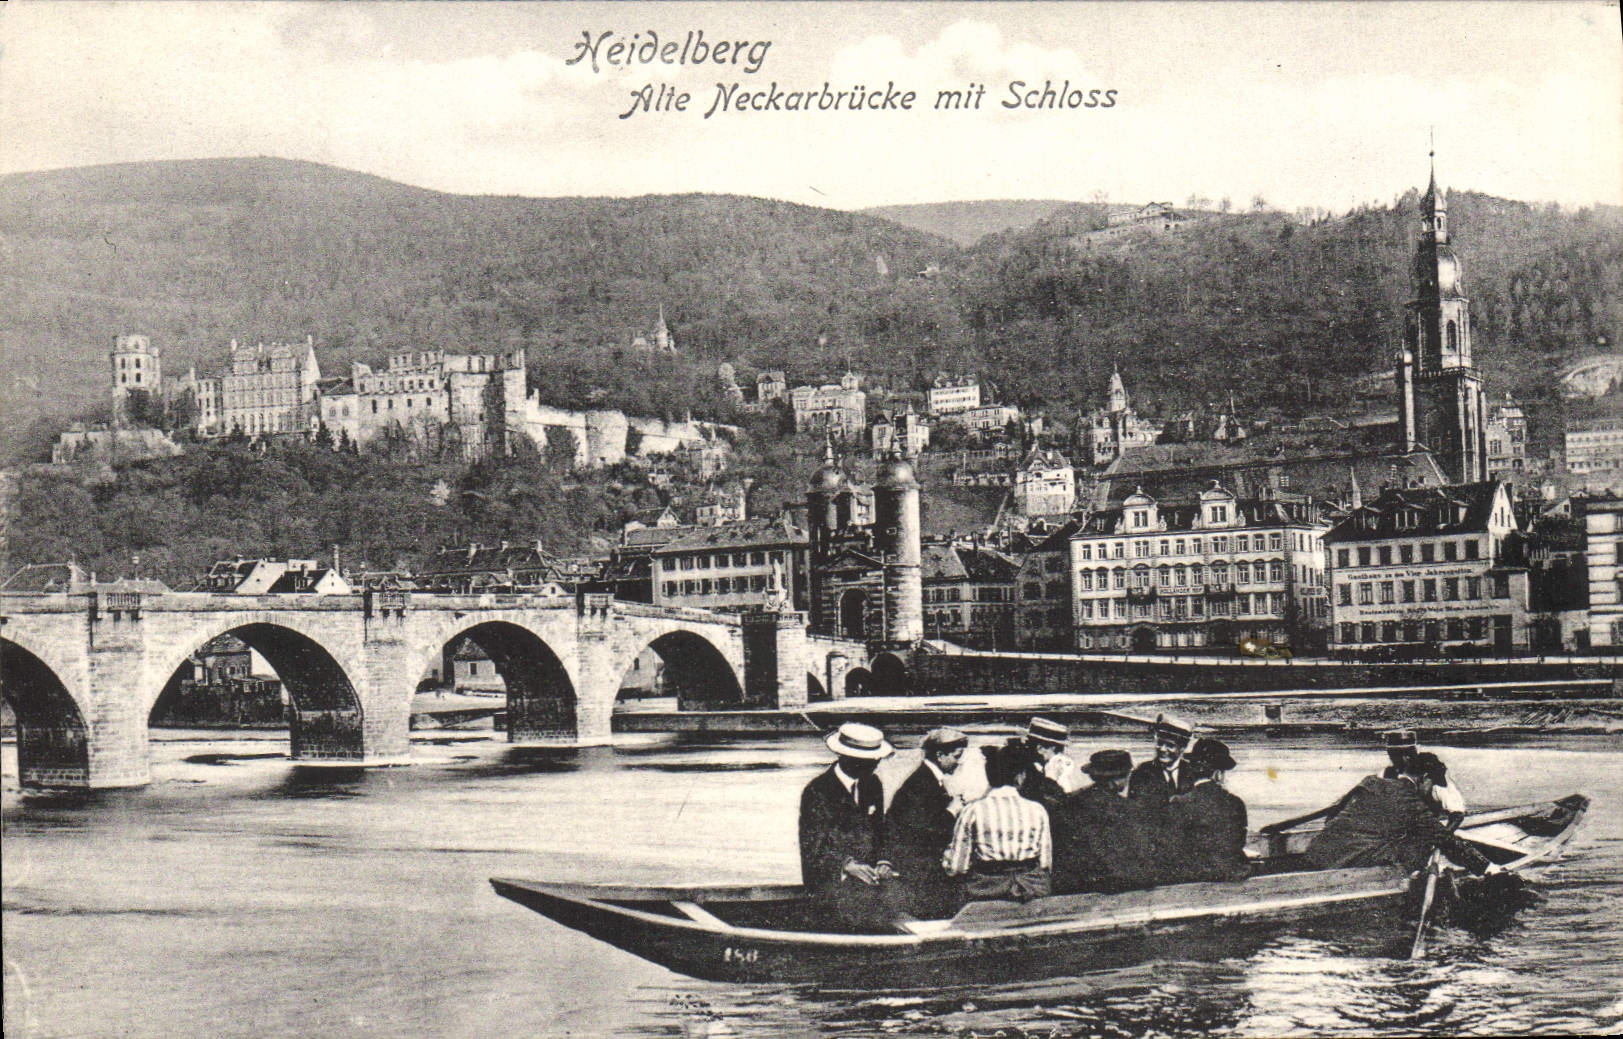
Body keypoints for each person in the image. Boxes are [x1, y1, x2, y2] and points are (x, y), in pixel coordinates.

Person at [1304, 752, 1497, 876]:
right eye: (1431, 785)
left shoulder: (1370, 782)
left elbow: (1332, 815)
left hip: (1318, 852)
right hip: (1346, 863)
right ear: (1425, 778)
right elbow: (1445, 839)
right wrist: (1488, 868)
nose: (1429, 791)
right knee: (1420, 842)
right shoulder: (1410, 800)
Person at [799, 721, 905, 929]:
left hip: (868, 883)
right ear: (846, 758)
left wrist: (884, 861)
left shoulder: (872, 784)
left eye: (876, 760)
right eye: (868, 761)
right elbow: (811, 848)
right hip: (831, 886)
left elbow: (879, 831)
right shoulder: (817, 791)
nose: (875, 765)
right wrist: (846, 866)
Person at [943, 743, 1052, 903]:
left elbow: (956, 867)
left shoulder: (973, 810)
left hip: (986, 889)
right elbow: (1045, 862)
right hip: (1031, 889)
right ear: (1020, 776)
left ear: (989, 776)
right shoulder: (1037, 810)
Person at [887, 728, 970, 917]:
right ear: (940, 755)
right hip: (921, 872)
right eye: (956, 756)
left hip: (921, 868)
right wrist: (952, 810)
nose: (959, 762)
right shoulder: (922, 783)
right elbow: (925, 831)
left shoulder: (926, 779)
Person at [1067, 749, 1159, 892]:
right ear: (1120, 777)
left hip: (1079, 884)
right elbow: (1141, 853)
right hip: (1118, 885)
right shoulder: (1128, 808)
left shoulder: (1073, 800)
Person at [1163, 738, 1251, 883]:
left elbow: (1173, 847)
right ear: (1218, 774)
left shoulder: (1177, 802)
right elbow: (1239, 841)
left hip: (1194, 877)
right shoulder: (1235, 803)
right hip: (1232, 873)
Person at [1382, 731, 1467, 830]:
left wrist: (1443, 837)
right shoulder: (1388, 774)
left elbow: (1457, 813)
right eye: (1394, 755)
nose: (1402, 759)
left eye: (1406, 753)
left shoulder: (1433, 772)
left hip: (1428, 832)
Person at [1129, 714, 1195, 807]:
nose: (1163, 749)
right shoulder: (1141, 773)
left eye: (1170, 745)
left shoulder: (1192, 772)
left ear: (1183, 747)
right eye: (1160, 743)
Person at [1026, 717, 1084, 793]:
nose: (1027, 748)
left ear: (1039, 748)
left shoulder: (1055, 765)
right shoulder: (1059, 762)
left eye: (1029, 745)